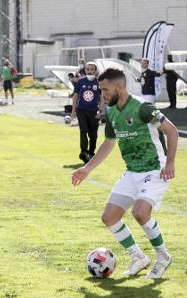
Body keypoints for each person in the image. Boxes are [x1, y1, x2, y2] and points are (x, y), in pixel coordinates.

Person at [72, 68, 178, 280]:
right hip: (132, 172)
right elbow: (109, 143)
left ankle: (163, 256)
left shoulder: (142, 107)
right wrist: (87, 169)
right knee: (109, 218)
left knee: (140, 212)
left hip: (155, 169)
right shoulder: (111, 112)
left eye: (104, 90)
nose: (102, 94)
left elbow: (172, 130)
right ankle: (138, 257)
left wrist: (170, 163)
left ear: (119, 87)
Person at [71, 61, 103, 163]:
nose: (89, 71)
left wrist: (100, 111)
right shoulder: (81, 81)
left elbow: (103, 99)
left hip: (94, 111)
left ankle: (91, 153)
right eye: (87, 69)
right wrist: (73, 111)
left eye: (92, 69)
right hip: (81, 110)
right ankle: (84, 152)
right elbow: (75, 96)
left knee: (93, 135)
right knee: (83, 130)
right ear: (85, 70)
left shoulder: (99, 83)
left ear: (95, 71)